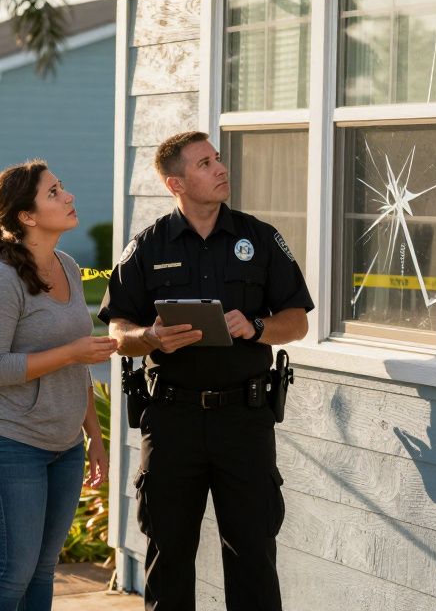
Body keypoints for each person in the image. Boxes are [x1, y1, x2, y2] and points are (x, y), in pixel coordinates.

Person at [99, 131, 314, 611]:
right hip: (171, 419)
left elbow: (297, 321)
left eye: (217, 159)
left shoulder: (259, 238)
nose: (220, 169)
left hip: (244, 418)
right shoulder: (148, 247)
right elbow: (117, 331)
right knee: (169, 554)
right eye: (204, 163)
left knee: (253, 554)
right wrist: (150, 338)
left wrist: (257, 326)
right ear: (176, 182)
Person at [0, 159, 117, 611]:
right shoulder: (2, 279)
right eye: (53, 193)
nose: (68, 196)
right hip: (9, 441)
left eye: (62, 188)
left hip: (64, 446)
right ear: (27, 217)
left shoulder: (67, 265)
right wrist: (72, 353)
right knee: (11, 573)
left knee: (43, 572)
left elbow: (79, 361)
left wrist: (94, 437)